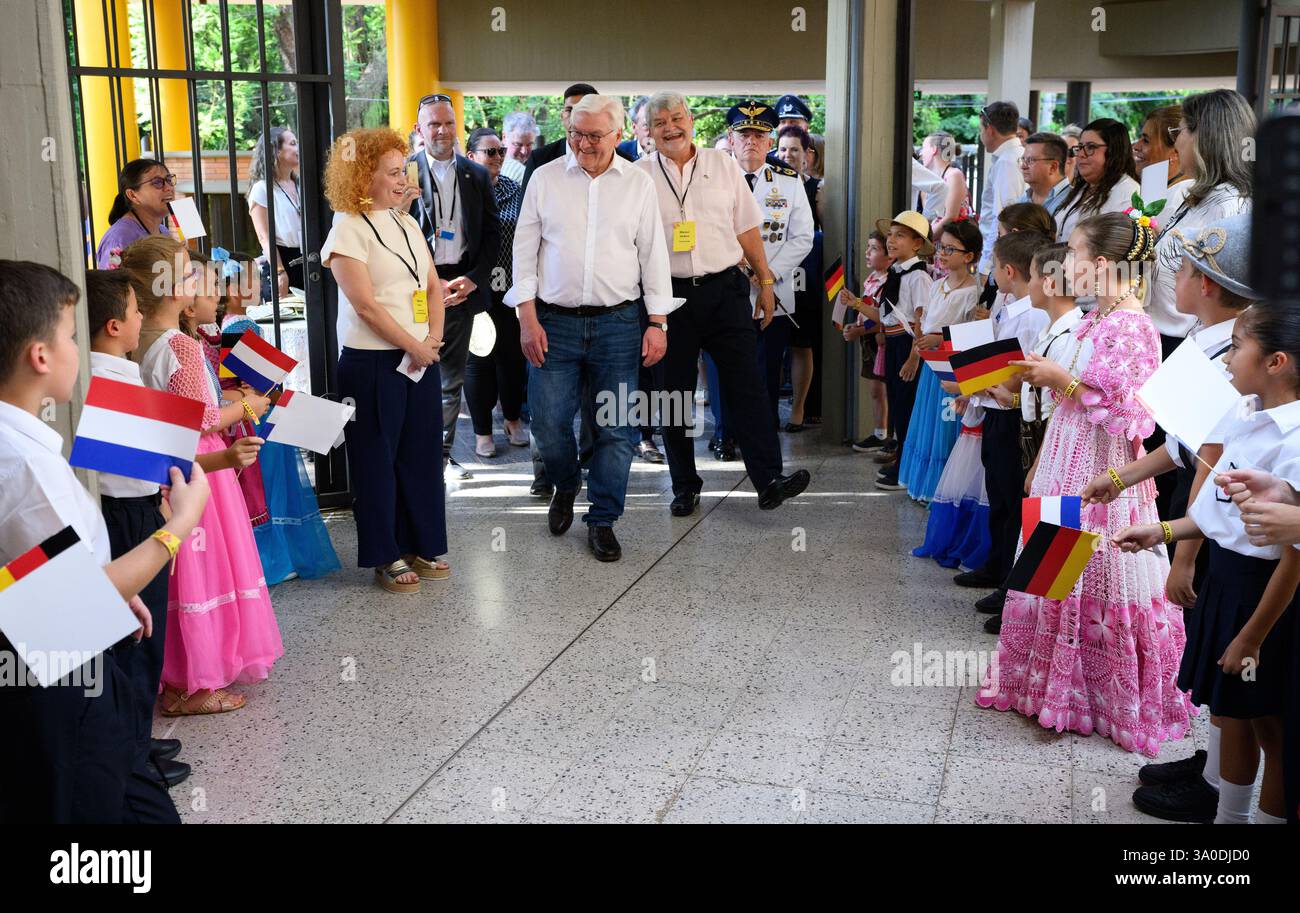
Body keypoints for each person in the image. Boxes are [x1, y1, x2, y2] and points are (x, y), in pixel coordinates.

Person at [975, 212, 1194, 757]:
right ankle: (1054, 687)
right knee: (1055, 572)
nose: (1064, 264)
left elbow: (1134, 412)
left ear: (1099, 264)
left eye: (1071, 253)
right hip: (1068, 455)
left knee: (1095, 575)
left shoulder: (1132, 325)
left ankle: (1096, 695)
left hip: (1102, 470)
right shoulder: (1102, 318)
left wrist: (1060, 379)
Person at [0, 260, 211, 823]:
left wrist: (115, 586)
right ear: (40, 357)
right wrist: (176, 529)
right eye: (71, 336)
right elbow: (71, 599)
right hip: (64, 681)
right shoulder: (21, 463)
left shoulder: (19, 443)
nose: (78, 350)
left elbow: (31, 564)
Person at [1079, 212, 1261, 822]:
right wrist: (1121, 477)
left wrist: (1182, 553)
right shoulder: (1211, 340)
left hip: (1218, 517)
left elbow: (1210, 457)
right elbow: (1184, 443)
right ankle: (1212, 764)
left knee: (1229, 658)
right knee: (1218, 659)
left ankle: (1221, 787)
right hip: (1201, 504)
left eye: (1180, 270)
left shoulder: (1235, 348)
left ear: (1205, 284)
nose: (1171, 281)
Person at [1115, 303, 1300, 823]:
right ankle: (1228, 815)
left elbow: (1292, 557)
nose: (1227, 361)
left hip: (1263, 596)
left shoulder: (1294, 439)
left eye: (1238, 348)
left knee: (1270, 724)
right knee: (1231, 710)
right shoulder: (1246, 411)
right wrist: (1165, 530)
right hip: (1229, 578)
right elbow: (1222, 514)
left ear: (1276, 361)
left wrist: (1252, 637)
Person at [506, 94, 677, 562]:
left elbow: (653, 256)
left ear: (618, 135)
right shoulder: (544, 179)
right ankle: (565, 484)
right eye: (575, 134)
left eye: (594, 135)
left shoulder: (638, 184)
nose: (583, 143)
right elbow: (523, 252)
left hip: (619, 324)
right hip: (553, 323)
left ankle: (602, 519)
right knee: (548, 425)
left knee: (617, 430)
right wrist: (526, 318)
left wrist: (657, 322)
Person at [121, 236, 283, 716]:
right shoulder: (181, 347)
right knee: (204, 571)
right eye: (191, 277)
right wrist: (251, 406)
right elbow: (203, 419)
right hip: (200, 463)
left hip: (166, 463)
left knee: (181, 572)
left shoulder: (140, 344)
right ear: (173, 291)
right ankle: (192, 680)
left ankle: (176, 673)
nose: (198, 284)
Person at [637, 93, 811, 516]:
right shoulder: (638, 175)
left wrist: (766, 283)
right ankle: (684, 485)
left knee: (748, 386)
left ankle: (768, 479)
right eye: (659, 122)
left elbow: (748, 228)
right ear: (647, 131)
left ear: (691, 120)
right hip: (668, 300)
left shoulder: (723, 165)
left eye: (676, 118)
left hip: (726, 291)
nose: (670, 127)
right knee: (674, 396)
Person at [321, 127, 450, 594]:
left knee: (419, 457)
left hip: (419, 358)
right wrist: (413, 346)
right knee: (376, 460)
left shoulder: (406, 222)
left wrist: (432, 337)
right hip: (373, 364)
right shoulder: (346, 228)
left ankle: (420, 542)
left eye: (404, 171)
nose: (403, 181)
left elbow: (432, 285)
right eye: (393, 172)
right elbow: (366, 307)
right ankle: (386, 554)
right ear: (362, 177)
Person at [85, 270, 190, 792]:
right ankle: (133, 756)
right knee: (139, 642)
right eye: (133, 310)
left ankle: (138, 739)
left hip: (129, 509)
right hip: (133, 514)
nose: (141, 317)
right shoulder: (114, 380)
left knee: (138, 639)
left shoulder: (111, 372)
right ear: (112, 325)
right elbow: (154, 462)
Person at [213, 250, 342, 584]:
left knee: (260, 489)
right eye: (253, 278)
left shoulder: (220, 327)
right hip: (259, 416)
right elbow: (261, 381)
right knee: (272, 487)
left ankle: (263, 559)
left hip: (241, 415)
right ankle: (277, 559)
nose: (261, 283)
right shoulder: (242, 325)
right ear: (232, 289)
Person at [954, 229, 1051, 628]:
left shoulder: (1033, 315)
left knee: (1014, 501)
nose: (990, 273)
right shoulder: (1006, 304)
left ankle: (1014, 587)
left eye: (993, 266)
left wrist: (999, 385)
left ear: (1008, 270)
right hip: (994, 405)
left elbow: (1025, 367)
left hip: (1016, 414)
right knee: (998, 493)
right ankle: (995, 567)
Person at [408, 93, 501, 470]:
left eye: (448, 123)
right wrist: (427, 285)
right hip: (416, 290)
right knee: (413, 372)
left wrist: (474, 280)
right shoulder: (403, 173)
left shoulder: (476, 174)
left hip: (461, 287)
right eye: (434, 124)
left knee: (450, 380)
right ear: (419, 129)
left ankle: (439, 458)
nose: (442, 131)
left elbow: (493, 235)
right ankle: (413, 453)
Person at [733, 119, 814, 431]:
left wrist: (769, 272)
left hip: (775, 291)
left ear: (769, 142)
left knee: (766, 368)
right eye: (744, 135)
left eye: (759, 136)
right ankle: (728, 434)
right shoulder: (717, 178)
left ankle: (764, 431)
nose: (751, 142)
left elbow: (803, 236)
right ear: (732, 139)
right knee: (731, 366)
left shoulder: (789, 181)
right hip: (730, 286)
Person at [897, 219, 982, 502]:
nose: (942, 254)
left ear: (968, 256)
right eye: (941, 248)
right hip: (932, 367)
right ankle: (926, 486)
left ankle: (946, 490)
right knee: (928, 423)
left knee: (947, 428)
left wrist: (940, 338)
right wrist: (921, 336)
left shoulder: (974, 292)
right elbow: (927, 320)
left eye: (950, 249)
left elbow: (973, 336)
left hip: (954, 369)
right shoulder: (937, 285)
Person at [854, 211, 934, 492]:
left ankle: (907, 467)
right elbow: (886, 314)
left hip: (907, 345)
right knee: (898, 406)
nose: (891, 240)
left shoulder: (918, 277)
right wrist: (857, 305)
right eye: (890, 234)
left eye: (900, 235)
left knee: (907, 407)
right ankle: (901, 457)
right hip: (893, 342)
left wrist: (915, 356)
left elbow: (921, 320)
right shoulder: (896, 273)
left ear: (917, 244)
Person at [462, 127, 529, 458]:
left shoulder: (515, 191)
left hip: (510, 289)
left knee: (513, 359)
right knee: (479, 360)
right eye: (491, 152)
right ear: (471, 156)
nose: (499, 157)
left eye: (501, 151)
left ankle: (513, 419)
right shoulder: (463, 192)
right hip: (476, 289)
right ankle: (482, 431)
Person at [521, 83, 634, 193]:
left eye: (584, 109)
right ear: (562, 116)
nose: (577, 115)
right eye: (570, 110)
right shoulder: (540, 161)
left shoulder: (630, 166)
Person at [842, 231, 892, 454]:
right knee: (875, 388)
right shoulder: (872, 279)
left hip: (880, 338)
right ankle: (880, 432)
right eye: (868, 247)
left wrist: (860, 330)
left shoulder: (890, 281)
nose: (867, 252)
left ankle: (888, 435)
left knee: (883, 388)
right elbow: (866, 309)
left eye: (873, 248)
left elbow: (882, 317)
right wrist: (855, 324)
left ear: (889, 255)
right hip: (868, 337)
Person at [1053, 117, 1140, 244]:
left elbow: (1118, 247)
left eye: (1090, 147)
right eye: (1080, 147)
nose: (1081, 154)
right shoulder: (1083, 188)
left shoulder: (1127, 193)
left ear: (1113, 150)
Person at [248, 126, 304, 296]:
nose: (298, 148)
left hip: (308, 260)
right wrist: (279, 271)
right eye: (293, 143)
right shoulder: (262, 189)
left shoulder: (301, 184)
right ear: (276, 151)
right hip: (282, 261)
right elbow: (264, 236)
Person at [94, 159, 176, 269]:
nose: (169, 188)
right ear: (132, 195)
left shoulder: (164, 232)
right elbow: (111, 283)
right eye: (157, 182)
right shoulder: (118, 239)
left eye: (169, 180)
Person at [975, 101, 1026, 276]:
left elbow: (1002, 217)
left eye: (981, 130)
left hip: (1001, 258)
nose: (981, 136)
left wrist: (985, 266)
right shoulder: (1015, 156)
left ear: (990, 130)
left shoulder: (1007, 162)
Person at [919, 131, 972, 239]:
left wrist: (925, 241)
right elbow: (929, 219)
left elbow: (950, 217)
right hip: (934, 242)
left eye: (923, 148)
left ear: (934, 149)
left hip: (951, 244)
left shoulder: (954, 175)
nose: (920, 153)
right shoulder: (928, 182)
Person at [1131, 105, 1187, 194]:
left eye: (1146, 140)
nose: (1136, 146)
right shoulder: (1155, 189)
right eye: (1140, 138)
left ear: (1175, 153)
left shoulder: (1177, 199)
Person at [1017, 132, 1072, 217]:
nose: (1023, 166)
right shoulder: (1023, 200)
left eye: (1030, 160)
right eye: (1023, 159)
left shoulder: (1074, 203)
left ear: (1053, 167)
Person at [500, 110, 538, 184]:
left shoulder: (537, 168)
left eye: (529, 144)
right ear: (504, 137)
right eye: (518, 144)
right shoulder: (489, 167)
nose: (524, 151)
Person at [617, 95, 654, 161]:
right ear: (634, 127)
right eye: (646, 125)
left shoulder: (670, 153)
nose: (654, 131)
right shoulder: (619, 152)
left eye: (658, 124)